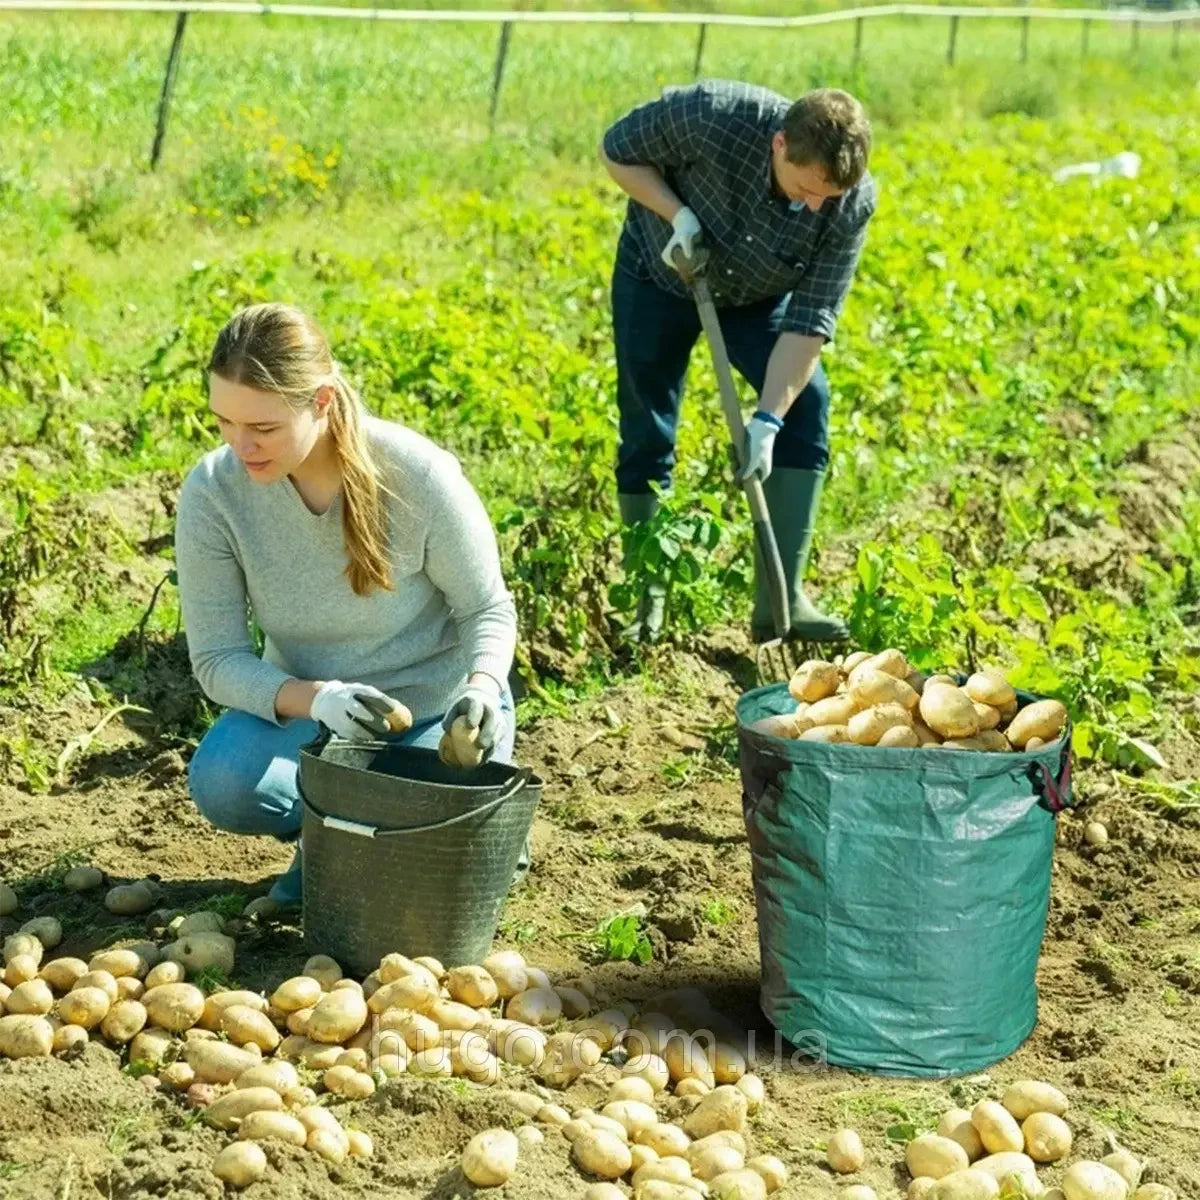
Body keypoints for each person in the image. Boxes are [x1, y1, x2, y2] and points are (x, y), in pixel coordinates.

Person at [174, 302, 518, 909]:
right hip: (314, 714)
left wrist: (484, 687)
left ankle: (434, 831)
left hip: (435, 713)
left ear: (322, 401)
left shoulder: (418, 475)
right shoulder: (214, 492)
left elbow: (487, 609)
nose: (240, 445)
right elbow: (218, 659)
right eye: (223, 421)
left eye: (264, 428)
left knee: (418, 826)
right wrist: (319, 699)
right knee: (226, 782)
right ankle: (335, 839)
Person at [600, 81, 875, 645]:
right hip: (658, 275)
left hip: (756, 298)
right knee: (647, 427)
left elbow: (812, 318)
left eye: (829, 195)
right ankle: (648, 596)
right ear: (779, 145)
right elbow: (616, 149)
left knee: (807, 406)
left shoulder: (850, 201)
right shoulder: (712, 115)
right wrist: (677, 215)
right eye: (806, 188)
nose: (817, 205)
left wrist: (768, 420)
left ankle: (780, 601)